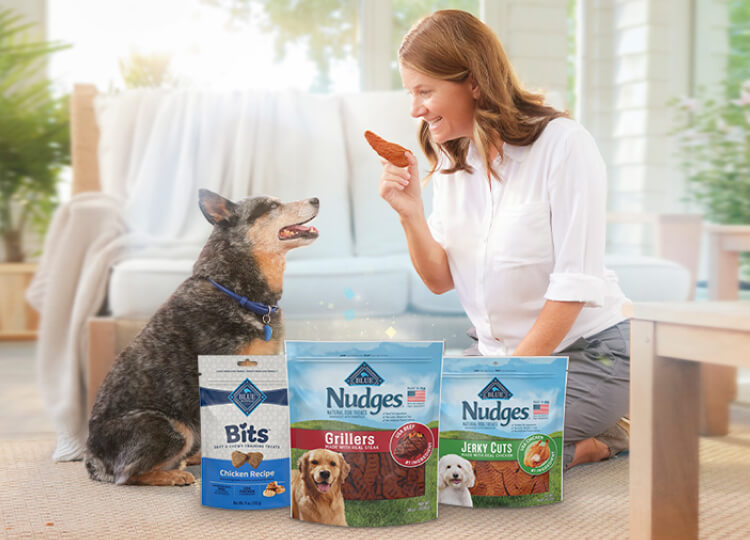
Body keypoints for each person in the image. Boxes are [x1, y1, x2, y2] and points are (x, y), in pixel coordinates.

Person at [379, 9, 630, 470]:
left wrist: (506, 392)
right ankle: (556, 434)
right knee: (404, 439)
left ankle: (601, 439)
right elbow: (439, 280)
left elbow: (574, 285)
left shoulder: (565, 146)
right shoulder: (456, 160)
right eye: (410, 92)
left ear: (473, 82)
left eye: (425, 91)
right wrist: (411, 212)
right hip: (494, 357)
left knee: (477, 453)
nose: (415, 109)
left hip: (586, 357)